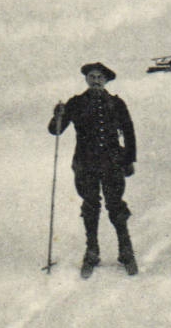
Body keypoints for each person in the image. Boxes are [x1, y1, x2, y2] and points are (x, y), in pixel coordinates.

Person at [48, 62, 138, 276]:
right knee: (90, 206)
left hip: (112, 163)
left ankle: (126, 252)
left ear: (106, 80)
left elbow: (129, 131)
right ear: (86, 79)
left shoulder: (116, 103)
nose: (96, 80)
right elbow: (55, 130)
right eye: (92, 76)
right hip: (85, 163)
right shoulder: (76, 103)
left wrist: (129, 159)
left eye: (100, 77)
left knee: (116, 206)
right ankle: (92, 253)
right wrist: (58, 115)